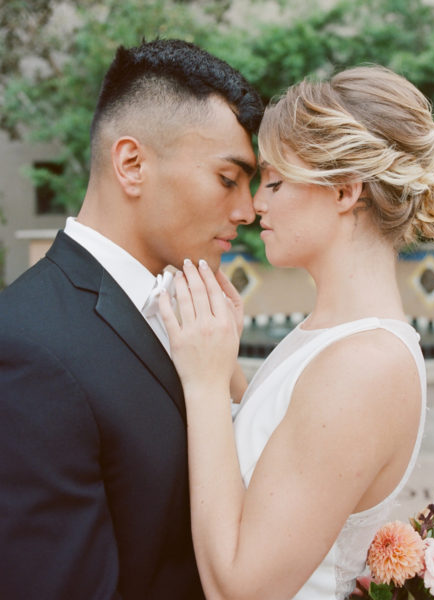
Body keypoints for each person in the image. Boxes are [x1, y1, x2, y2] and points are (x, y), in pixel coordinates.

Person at [159, 65, 434, 600]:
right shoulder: (332, 337)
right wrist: (228, 373)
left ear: (344, 191)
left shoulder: (364, 366)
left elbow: (243, 589)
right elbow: (280, 451)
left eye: (274, 180)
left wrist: (202, 384)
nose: (254, 206)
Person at [0, 39, 263, 599]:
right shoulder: (27, 348)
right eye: (227, 179)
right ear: (132, 164)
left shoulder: (197, 318)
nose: (246, 211)